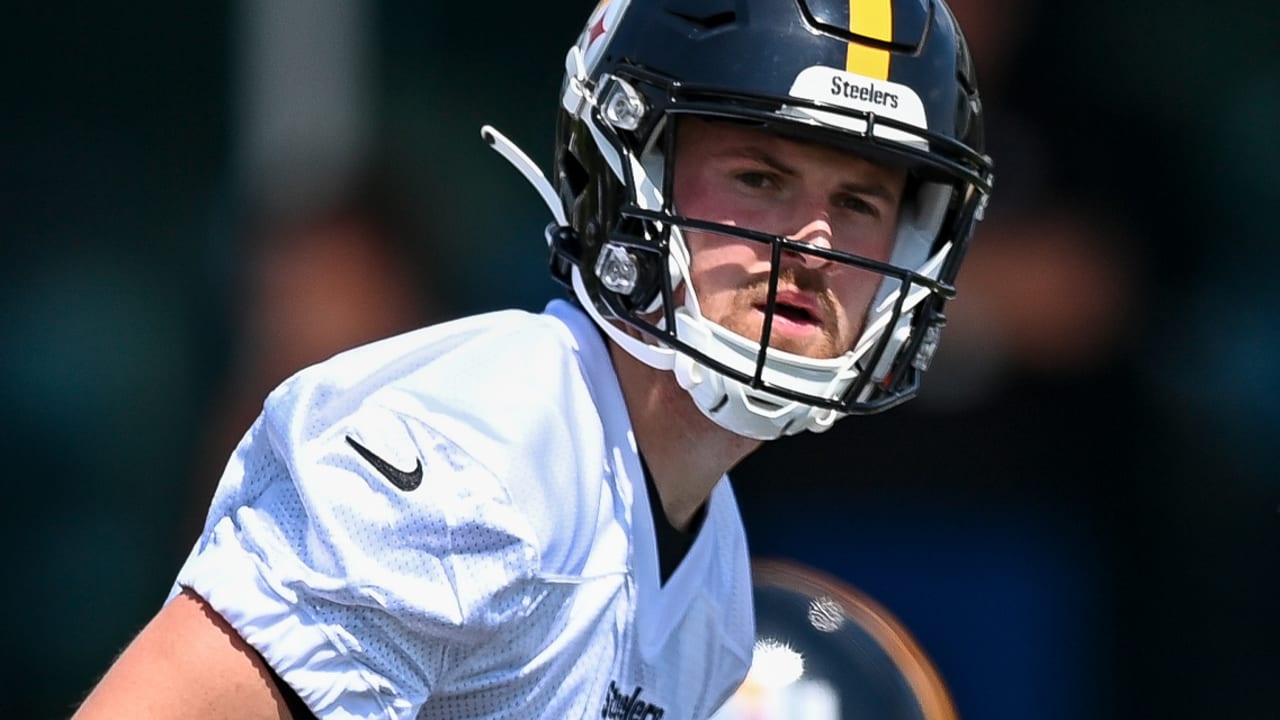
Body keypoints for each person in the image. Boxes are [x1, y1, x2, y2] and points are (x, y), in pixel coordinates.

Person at [73, 0, 993, 718]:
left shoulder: (709, 568)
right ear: (626, 174)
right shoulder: (482, 459)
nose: (819, 242)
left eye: (862, 200)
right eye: (761, 178)